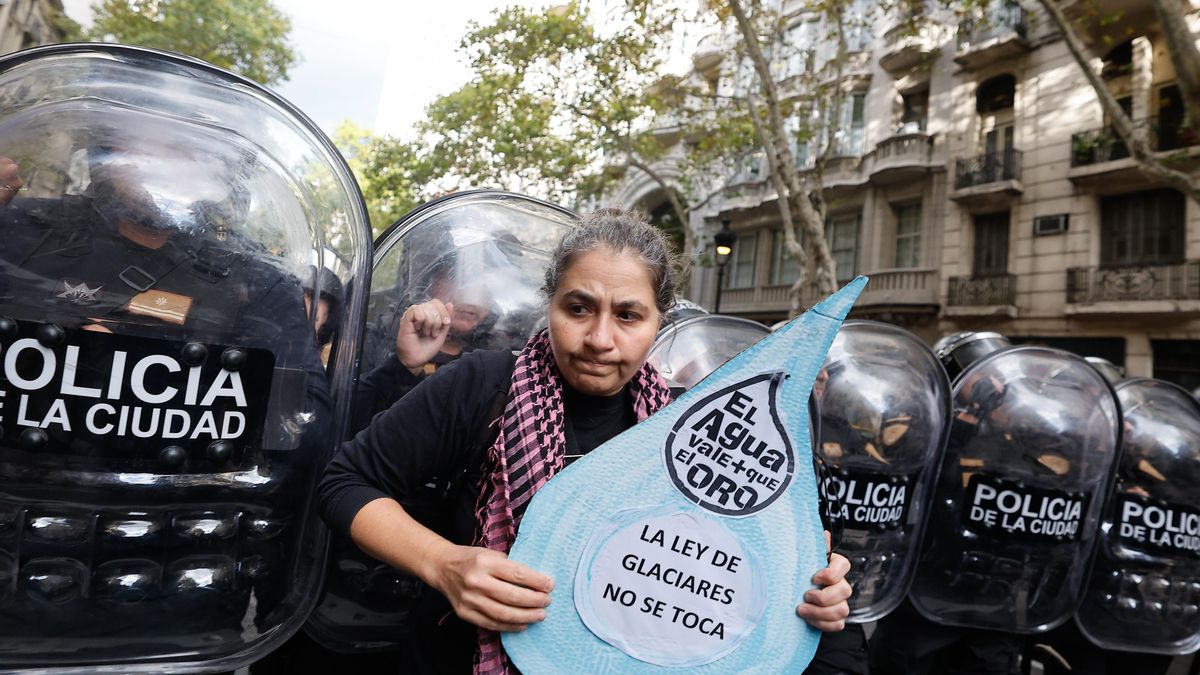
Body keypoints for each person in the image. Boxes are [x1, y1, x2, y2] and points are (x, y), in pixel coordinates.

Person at [320, 209, 853, 674]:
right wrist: (443, 563)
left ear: (658, 322)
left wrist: (811, 596)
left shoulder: (688, 426)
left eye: (628, 315)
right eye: (578, 309)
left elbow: (730, 568)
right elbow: (345, 483)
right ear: (549, 305)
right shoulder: (482, 385)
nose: (600, 339)